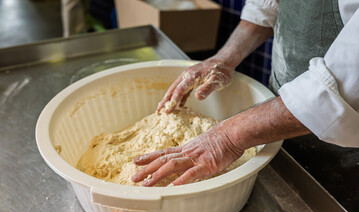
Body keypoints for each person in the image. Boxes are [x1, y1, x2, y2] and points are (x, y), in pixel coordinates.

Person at [131, 0, 359, 186]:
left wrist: (226, 138)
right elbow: (268, 4)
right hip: (276, 115)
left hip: (345, 150)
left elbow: (344, 87)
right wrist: (224, 58)